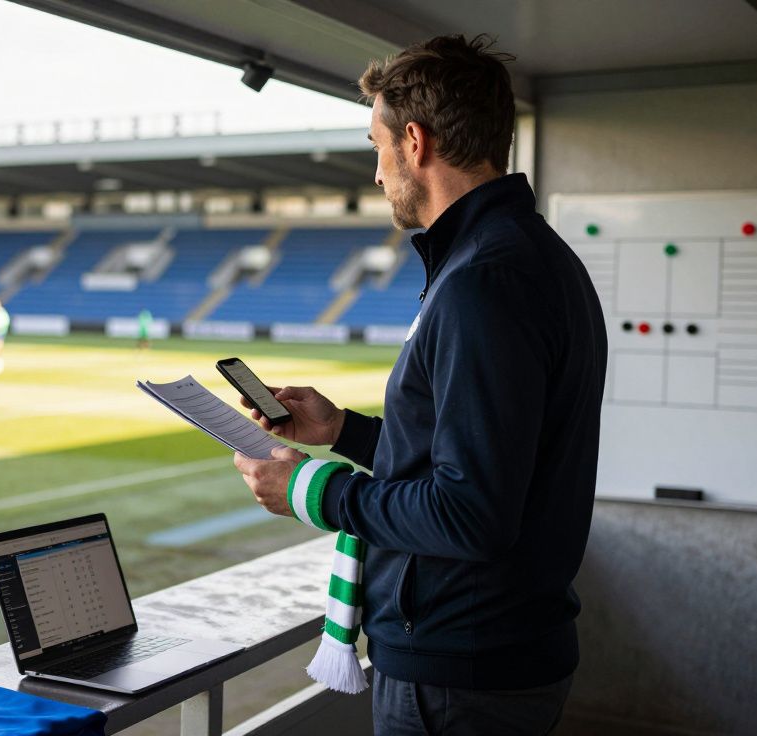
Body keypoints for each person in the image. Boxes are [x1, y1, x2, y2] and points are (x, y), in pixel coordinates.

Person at [233, 35, 606, 735]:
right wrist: (343, 431)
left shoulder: (484, 280)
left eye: (376, 146)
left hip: (462, 672)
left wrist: (310, 490)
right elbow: (474, 455)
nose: (375, 173)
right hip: (495, 654)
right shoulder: (526, 258)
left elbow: (471, 512)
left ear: (415, 141)